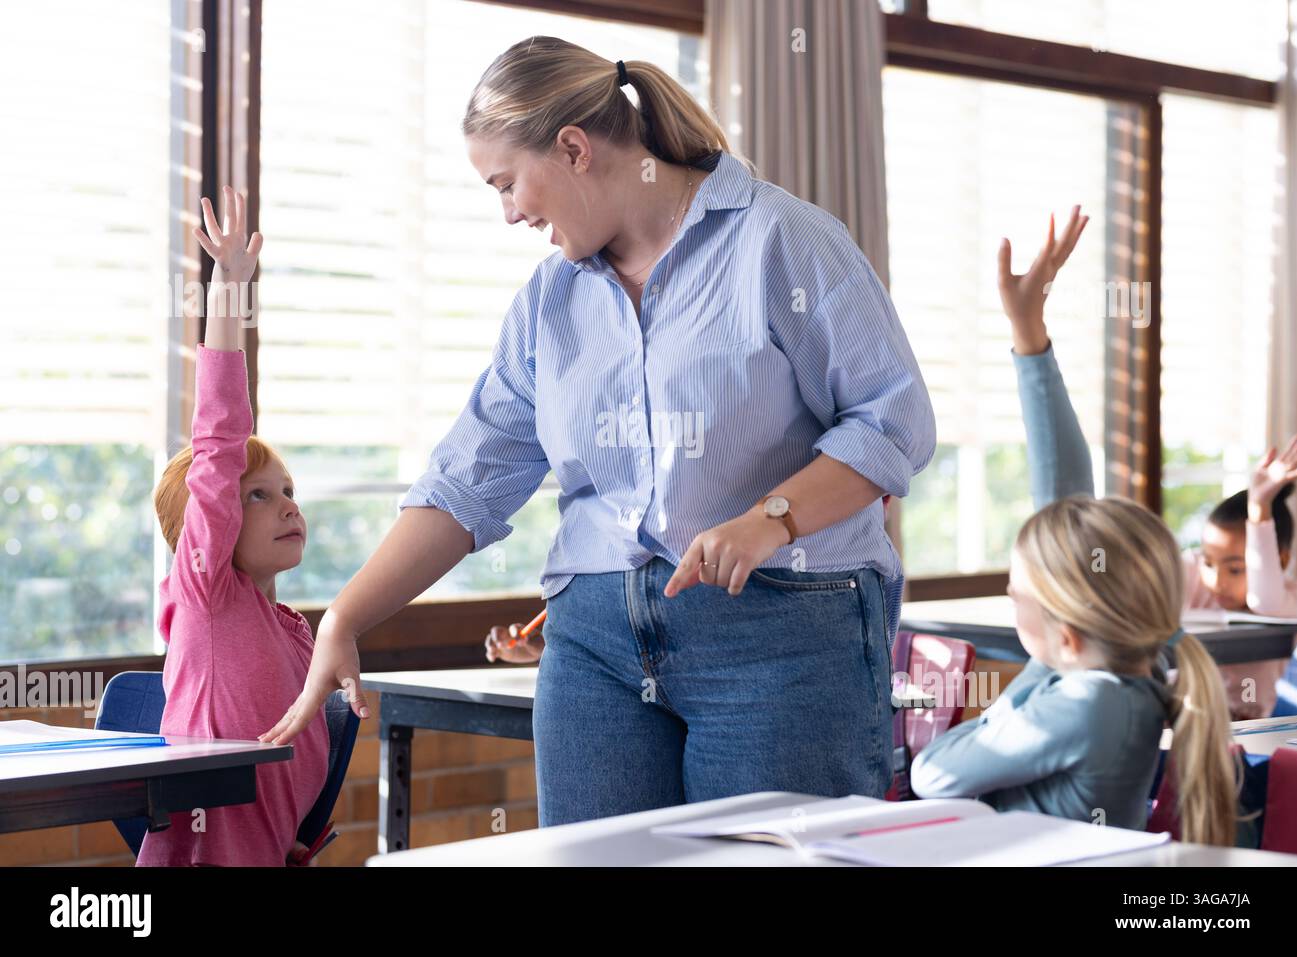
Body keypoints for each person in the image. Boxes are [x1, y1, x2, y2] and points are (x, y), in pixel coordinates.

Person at [260, 37, 935, 826]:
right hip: (596, 647)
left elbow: (893, 418)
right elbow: (467, 480)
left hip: (780, 631)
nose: (509, 211)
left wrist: (769, 520)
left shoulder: (780, 242)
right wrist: (344, 618)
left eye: (507, 183)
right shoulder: (551, 303)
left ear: (574, 148)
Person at [999, 205, 1297, 718]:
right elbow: (1079, 531)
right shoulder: (1187, 582)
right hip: (1171, 727)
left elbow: (1267, 602)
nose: (1217, 579)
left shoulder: (1279, 598)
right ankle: (1030, 335)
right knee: (1076, 534)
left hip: (1239, 739)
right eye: (1210, 562)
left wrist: (1260, 513)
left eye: (1234, 567)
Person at [139, 187, 327, 866]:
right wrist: (229, 290)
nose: (287, 505)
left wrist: (287, 844)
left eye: (289, 492)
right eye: (256, 496)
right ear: (205, 523)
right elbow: (219, 437)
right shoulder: (206, 596)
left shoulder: (300, 634)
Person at [911, 495, 1239, 845]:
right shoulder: (1134, 680)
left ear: (1067, 636)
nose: (1013, 607)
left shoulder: (1085, 702)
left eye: (1016, 598)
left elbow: (933, 773)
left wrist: (1041, 663)